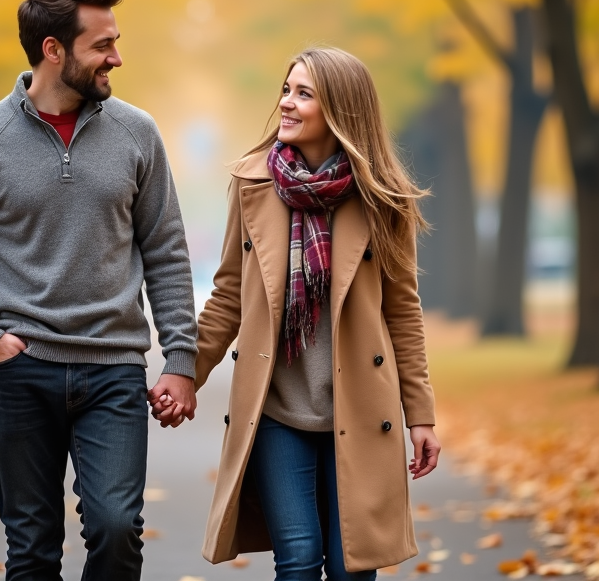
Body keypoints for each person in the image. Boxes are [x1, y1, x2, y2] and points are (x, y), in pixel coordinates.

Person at [0, 0, 198, 581]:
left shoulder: (137, 133)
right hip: (21, 370)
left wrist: (181, 359)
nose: (116, 57)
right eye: (102, 45)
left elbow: (167, 253)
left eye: (115, 41)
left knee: (116, 527)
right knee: (33, 549)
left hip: (114, 372)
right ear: (53, 49)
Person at [156, 46, 440, 580]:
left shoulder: (383, 198)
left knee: (355, 565)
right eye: (286, 90)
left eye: (303, 93)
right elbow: (228, 296)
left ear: (340, 109)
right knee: (299, 561)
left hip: (358, 409)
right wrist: (183, 373)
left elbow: (402, 311)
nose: (286, 103)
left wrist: (420, 414)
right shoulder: (254, 184)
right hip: (277, 411)